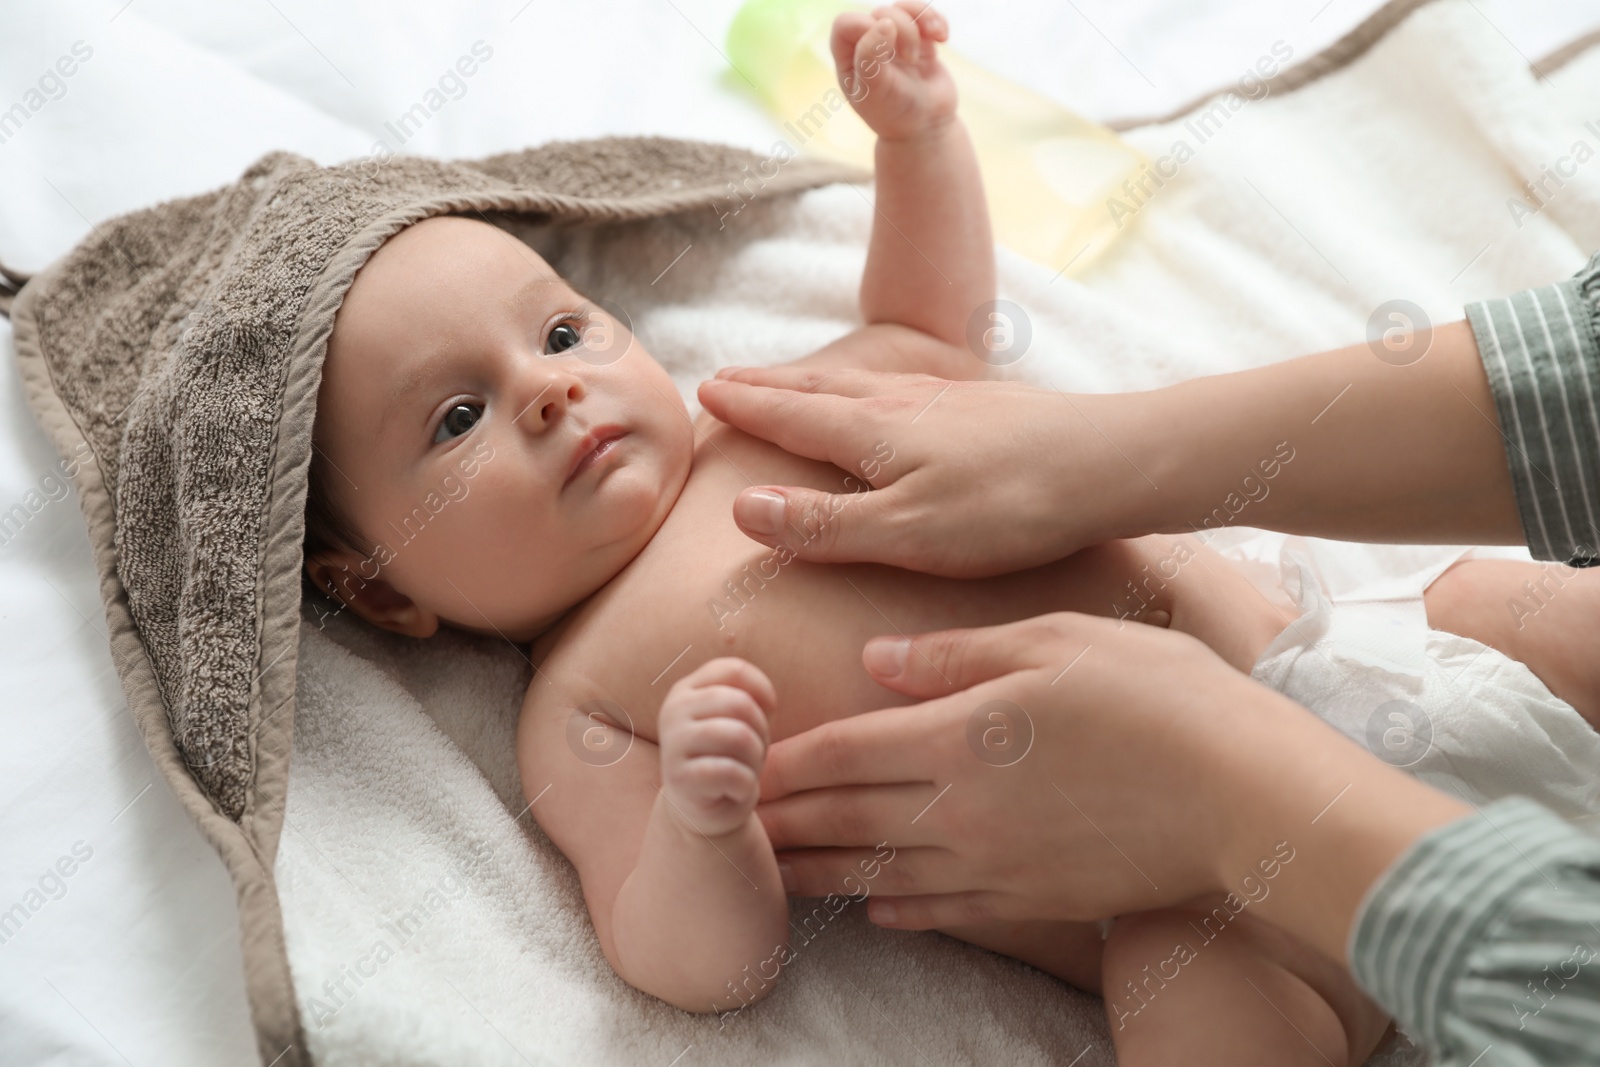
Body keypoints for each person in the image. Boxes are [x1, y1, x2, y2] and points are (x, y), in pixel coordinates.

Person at [696, 252, 1600, 1065]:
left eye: (566, 331)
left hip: (1371, 654)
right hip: (1208, 902)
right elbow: (706, 959)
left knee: (1502, 602)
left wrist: (917, 140)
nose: (554, 390)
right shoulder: (576, 694)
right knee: (1175, 977)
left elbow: (926, 326)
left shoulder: (769, 410)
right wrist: (696, 818)